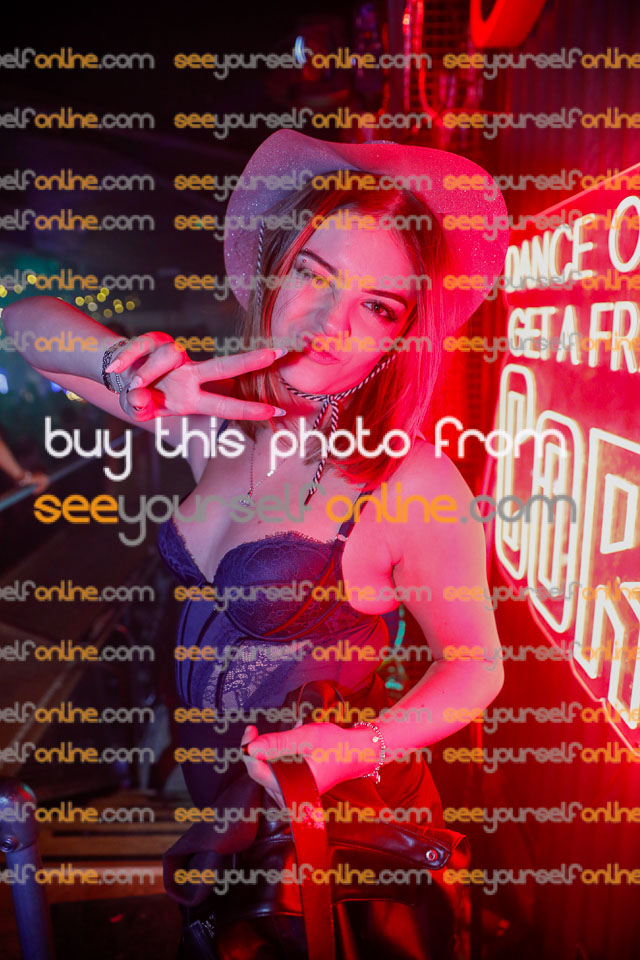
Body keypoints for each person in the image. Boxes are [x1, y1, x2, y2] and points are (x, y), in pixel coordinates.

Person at [4, 131, 509, 959]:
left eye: (377, 306)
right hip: (228, 830)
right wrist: (127, 370)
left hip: (337, 852)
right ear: (274, 267)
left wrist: (356, 750)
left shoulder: (407, 480)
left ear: (401, 335)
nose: (329, 323)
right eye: (314, 274)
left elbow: (477, 664)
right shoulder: (212, 418)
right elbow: (23, 322)